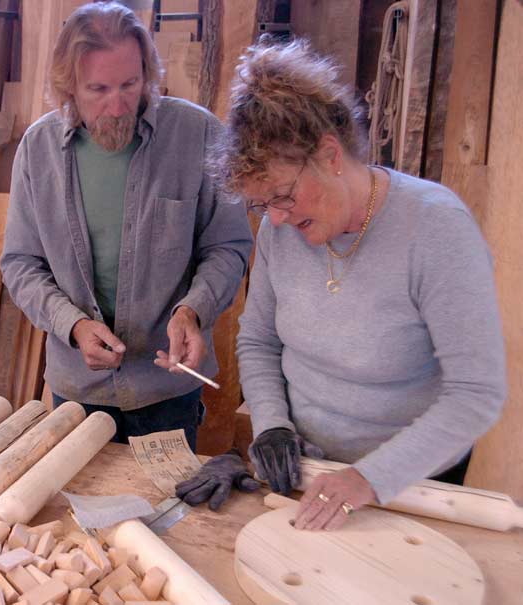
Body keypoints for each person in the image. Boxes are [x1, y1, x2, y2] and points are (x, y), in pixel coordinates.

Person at [205, 36, 506, 530]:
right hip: (308, 468)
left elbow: (476, 393)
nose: (275, 221)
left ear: (329, 155)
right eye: (263, 206)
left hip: (411, 484)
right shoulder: (285, 230)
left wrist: (368, 478)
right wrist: (273, 426)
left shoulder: (436, 228)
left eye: (282, 195)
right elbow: (259, 340)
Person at [0, 2, 253, 461]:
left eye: (130, 85)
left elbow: (228, 247)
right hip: (78, 389)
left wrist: (192, 311)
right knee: (78, 519)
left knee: (164, 519)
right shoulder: (38, 151)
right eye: (98, 89)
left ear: (147, 75)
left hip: (167, 389)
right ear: (68, 86)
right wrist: (72, 325)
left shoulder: (197, 136)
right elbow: (20, 264)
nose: (117, 107)